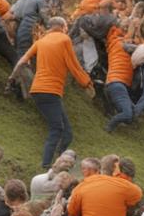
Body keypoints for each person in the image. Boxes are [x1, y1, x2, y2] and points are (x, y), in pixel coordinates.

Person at [11, 17, 94, 169]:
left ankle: (59, 162)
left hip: (38, 90)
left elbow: (22, 61)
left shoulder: (40, 41)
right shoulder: (64, 39)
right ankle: (46, 165)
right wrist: (86, 82)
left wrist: (11, 79)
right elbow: (73, 64)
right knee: (57, 128)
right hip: (50, 90)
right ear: (63, 27)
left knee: (67, 132)